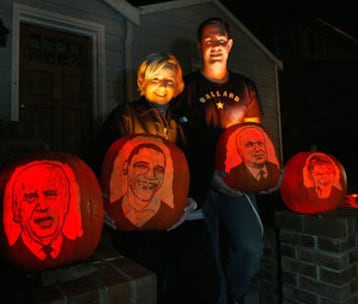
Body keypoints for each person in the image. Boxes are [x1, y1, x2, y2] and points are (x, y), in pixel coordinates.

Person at [90, 52, 218, 304]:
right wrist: (100, 203)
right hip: (138, 217)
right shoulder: (124, 116)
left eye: (170, 81)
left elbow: (204, 164)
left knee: (202, 282)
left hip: (185, 212)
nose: (162, 86)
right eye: (156, 79)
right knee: (150, 278)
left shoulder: (192, 119)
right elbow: (99, 160)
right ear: (142, 82)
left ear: (178, 85)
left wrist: (194, 201)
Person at [179, 17, 275, 304]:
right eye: (209, 41)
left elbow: (255, 134)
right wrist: (205, 175)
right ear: (200, 46)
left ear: (230, 44)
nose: (216, 46)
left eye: (221, 40)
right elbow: (179, 139)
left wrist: (266, 170)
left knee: (250, 246)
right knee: (208, 257)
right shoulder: (186, 87)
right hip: (199, 182)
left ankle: (236, 294)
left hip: (236, 180)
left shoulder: (245, 87)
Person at [4, 161, 84, 269]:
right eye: (31, 196)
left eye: (50, 194)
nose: (43, 206)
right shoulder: (13, 253)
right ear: (17, 208)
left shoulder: (77, 248)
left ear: (65, 202)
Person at [106, 141, 178, 230]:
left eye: (159, 170)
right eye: (142, 166)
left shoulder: (169, 213)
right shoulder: (111, 209)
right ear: (126, 167)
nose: (150, 176)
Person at [226, 125, 280, 192]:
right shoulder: (234, 174)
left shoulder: (274, 169)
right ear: (240, 151)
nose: (257, 149)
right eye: (250, 145)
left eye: (260, 144)